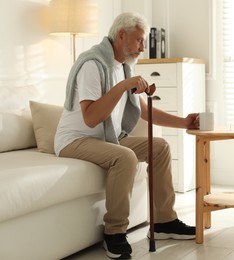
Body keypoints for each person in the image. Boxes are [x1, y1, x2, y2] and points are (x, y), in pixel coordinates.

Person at [54, 12, 199, 259]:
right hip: (75, 140)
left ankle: (164, 222)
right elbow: (90, 118)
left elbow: (143, 110)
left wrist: (184, 122)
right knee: (125, 157)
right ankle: (114, 232)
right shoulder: (93, 64)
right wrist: (122, 86)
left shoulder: (123, 66)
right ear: (121, 36)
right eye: (140, 40)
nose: (143, 47)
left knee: (160, 146)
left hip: (105, 138)